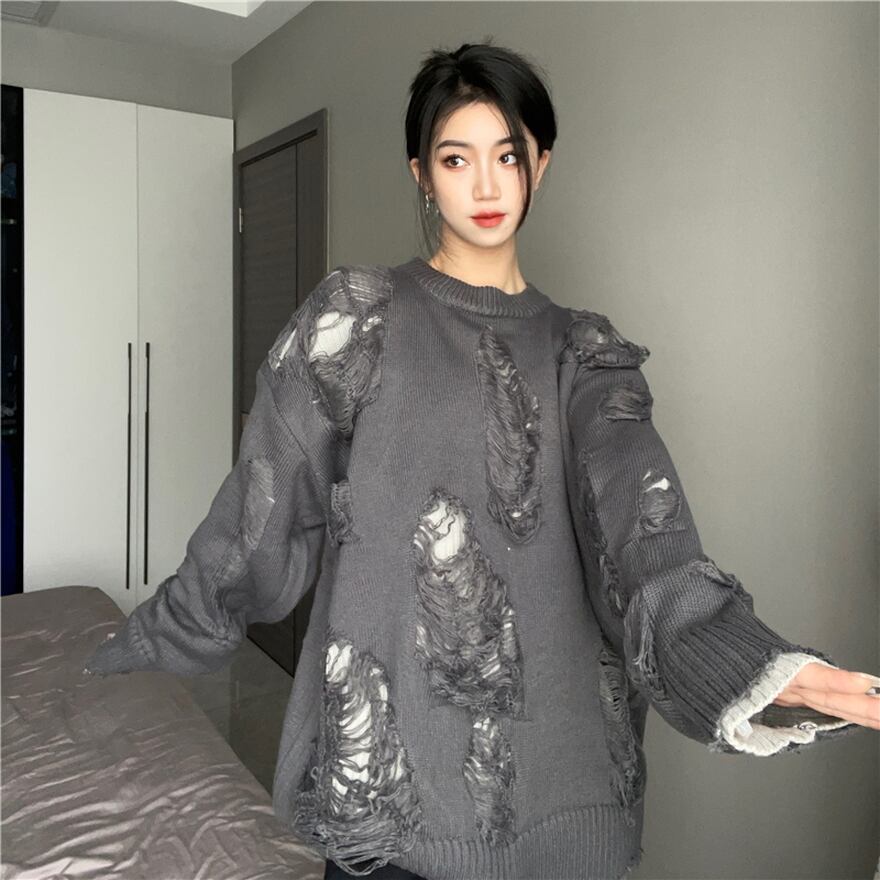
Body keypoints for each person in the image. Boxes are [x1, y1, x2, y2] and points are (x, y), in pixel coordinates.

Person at [85, 40, 879, 880]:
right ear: (422, 175)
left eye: (508, 155)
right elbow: (258, 516)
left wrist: (754, 668)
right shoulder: (356, 320)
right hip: (386, 804)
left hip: (563, 811)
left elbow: (645, 538)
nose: (488, 186)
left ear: (542, 162)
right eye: (456, 159)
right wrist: (137, 648)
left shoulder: (585, 354)